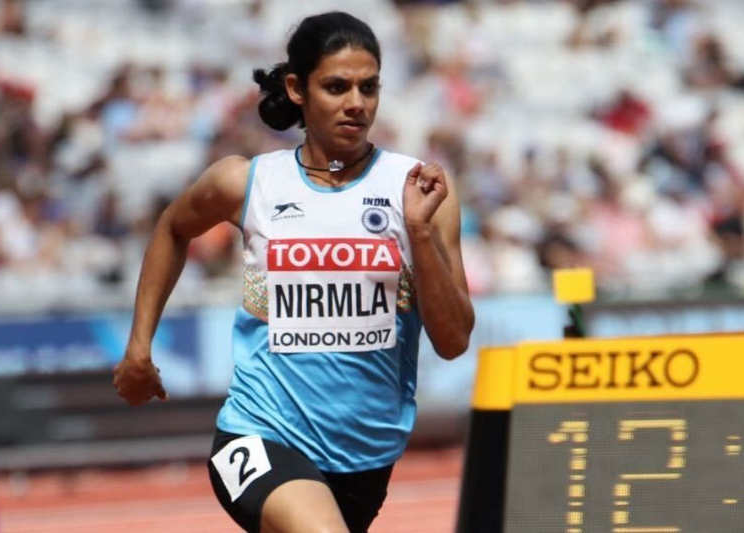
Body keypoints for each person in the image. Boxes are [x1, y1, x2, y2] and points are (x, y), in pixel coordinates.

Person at [113, 11, 474, 533]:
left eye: (369, 87)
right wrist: (139, 346)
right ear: (297, 89)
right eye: (337, 87)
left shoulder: (419, 191)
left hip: (364, 460)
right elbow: (172, 228)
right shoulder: (248, 182)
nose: (357, 103)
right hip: (260, 433)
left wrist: (417, 233)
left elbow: (454, 341)